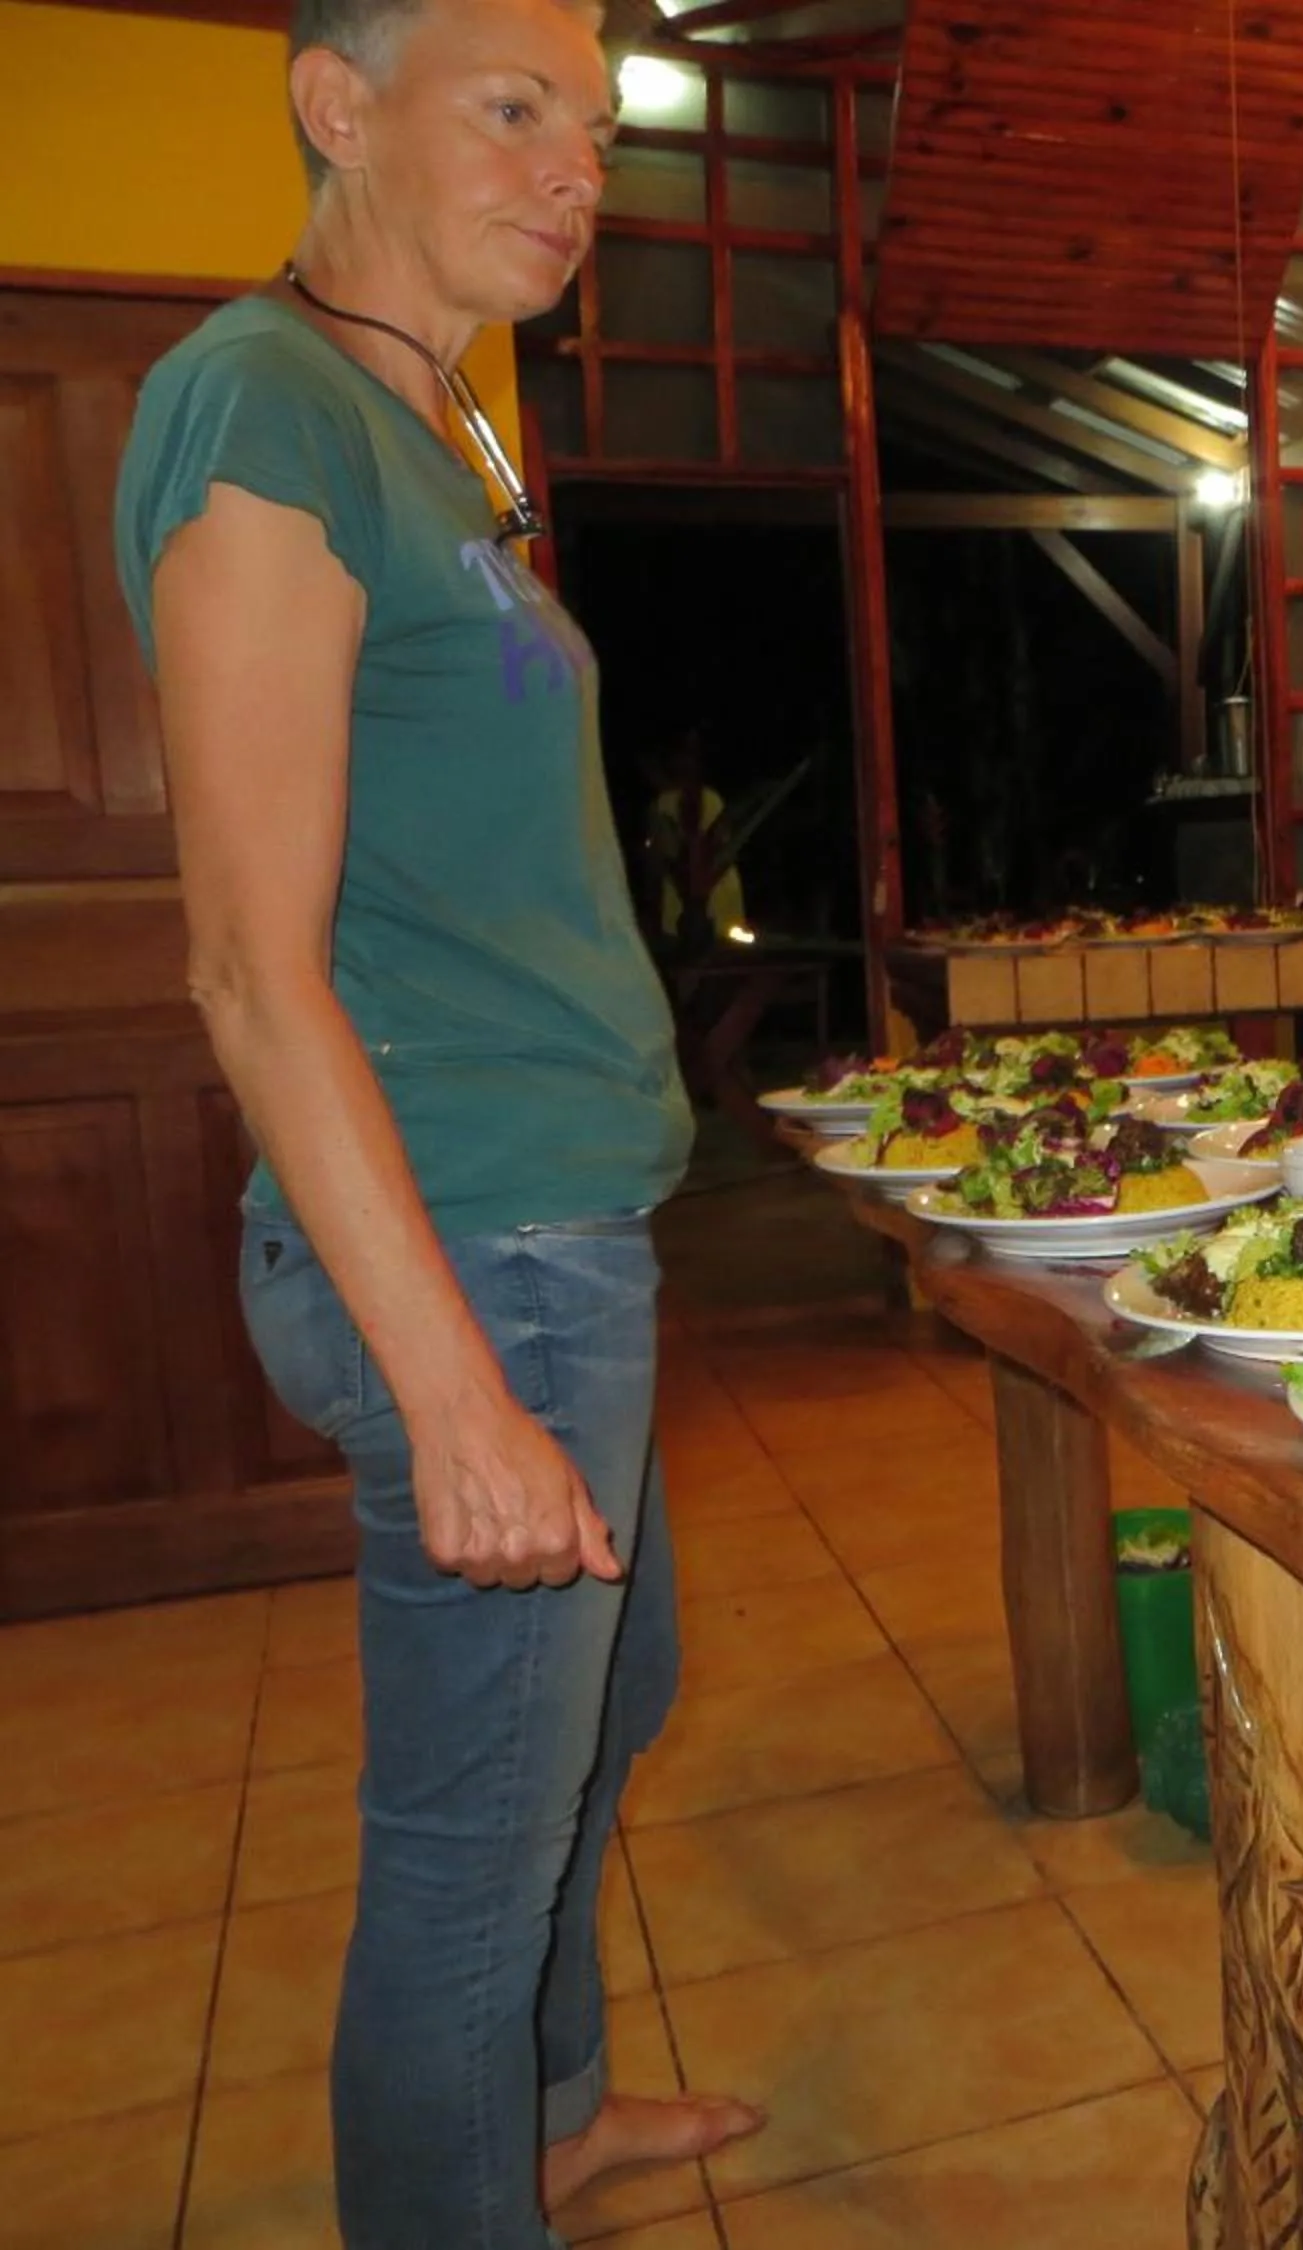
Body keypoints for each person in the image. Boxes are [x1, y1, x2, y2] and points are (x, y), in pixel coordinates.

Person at [112, 0, 762, 2239]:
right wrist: (456, 1393)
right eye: (514, 111)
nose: (577, 168)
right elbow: (244, 963)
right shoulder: (259, 406)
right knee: (469, 1845)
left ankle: (550, 2111)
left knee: (611, 1694)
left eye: (591, 125)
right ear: (335, 106)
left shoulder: (440, 432)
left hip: (557, 1224)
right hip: (466, 1242)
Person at [643, 723, 748, 945]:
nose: (688, 762)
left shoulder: (712, 799)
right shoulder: (663, 806)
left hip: (717, 909)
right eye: (683, 753)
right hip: (681, 913)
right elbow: (658, 863)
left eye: (693, 754)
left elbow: (725, 852)